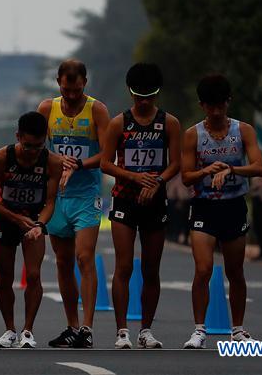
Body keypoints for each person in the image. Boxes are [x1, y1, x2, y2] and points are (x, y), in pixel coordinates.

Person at [180, 75, 262, 349]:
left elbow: (259, 167)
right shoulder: (193, 134)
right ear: (202, 105)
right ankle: (199, 329)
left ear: (228, 102)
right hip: (204, 205)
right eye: (210, 106)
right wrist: (205, 171)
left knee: (235, 270)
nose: (216, 112)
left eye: (221, 105)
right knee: (203, 269)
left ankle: (238, 329)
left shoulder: (244, 131)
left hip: (233, 205)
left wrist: (231, 169)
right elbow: (185, 176)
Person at [100, 62, 181, 349]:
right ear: (131, 93)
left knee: (151, 268)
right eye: (139, 96)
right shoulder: (119, 123)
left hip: (155, 200)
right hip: (125, 199)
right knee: (123, 266)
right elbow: (105, 163)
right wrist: (135, 177)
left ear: (157, 94)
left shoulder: (169, 123)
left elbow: (177, 164)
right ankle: (122, 331)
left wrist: (156, 181)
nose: (144, 101)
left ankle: (146, 330)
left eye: (149, 96)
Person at [37, 59, 110, 348]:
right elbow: (36, 149)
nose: (71, 95)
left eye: (76, 90)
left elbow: (107, 155)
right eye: (66, 90)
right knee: (64, 261)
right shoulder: (47, 109)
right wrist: (56, 161)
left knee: (84, 257)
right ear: (59, 83)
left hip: (85, 195)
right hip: (57, 196)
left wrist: (78, 164)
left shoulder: (97, 110)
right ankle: (72, 325)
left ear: (85, 84)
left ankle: (88, 328)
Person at [0, 112, 63, 349]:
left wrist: (40, 225)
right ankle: (9, 330)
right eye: (27, 146)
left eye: (38, 146)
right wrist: (15, 218)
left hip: (34, 221)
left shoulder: (52, 162)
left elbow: (50, 202)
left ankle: (27, 331)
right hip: (6, 219)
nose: (32, 152)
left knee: (34, 275)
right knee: (5, 277)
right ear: (18, 136)